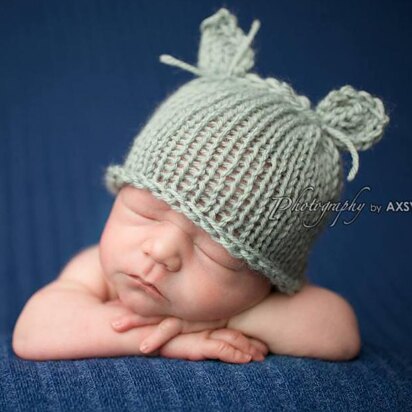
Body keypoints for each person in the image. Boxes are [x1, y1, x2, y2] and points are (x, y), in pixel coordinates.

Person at [12, 7, 389, 363]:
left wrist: (224, 319)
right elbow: (33, 332)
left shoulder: (254, 302)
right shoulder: (95, 269)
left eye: (215, 254)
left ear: (269, 279)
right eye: (143, 212)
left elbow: (339, 334)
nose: (160, 250)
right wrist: (165, 340)